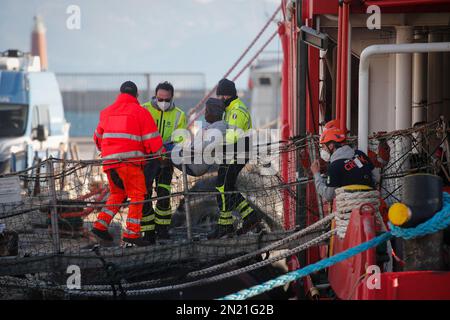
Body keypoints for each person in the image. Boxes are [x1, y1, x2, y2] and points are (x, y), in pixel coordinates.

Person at [91, 81, 165, 247]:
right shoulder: (141, 112)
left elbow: (97, 138)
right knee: (138, 195)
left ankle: (100, 225)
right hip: (130, 164)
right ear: (136, 96)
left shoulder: (106, 112)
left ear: (120, 93)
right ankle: (132, 233)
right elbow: (152, 140)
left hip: (110, 163)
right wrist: (161, 156)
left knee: (117, 194)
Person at [208, 78, 261, 239]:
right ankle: (250, 216)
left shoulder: (237, 111)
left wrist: (212, 145)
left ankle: (225, 225)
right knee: (226, 187)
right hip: (232, 153)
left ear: (227, 95)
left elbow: (231, 138)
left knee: (223, 187)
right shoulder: (230, 110)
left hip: (237, 152)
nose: (219, 99)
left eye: (221, 96)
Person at [141, 82, 187, 241]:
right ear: (155, 95)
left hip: (166, 161)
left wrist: (168, 150)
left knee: (163, 194)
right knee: (144, 195)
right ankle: (148, 232)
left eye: (166, 99)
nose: (163, 102)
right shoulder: (144, 109)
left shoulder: (179, 115)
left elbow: (180, 140)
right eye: (160, 99)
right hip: (146, 161)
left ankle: (162, 230)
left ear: (172, 98)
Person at [310, 127, 375, 203]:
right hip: (371, 202)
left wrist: (316, 174)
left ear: (331, 146)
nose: (323, 150)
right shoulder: (360, 154)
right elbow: (376, 177)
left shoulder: (334, 166)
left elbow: (328, 195)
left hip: (350, 208)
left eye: (323, 147)